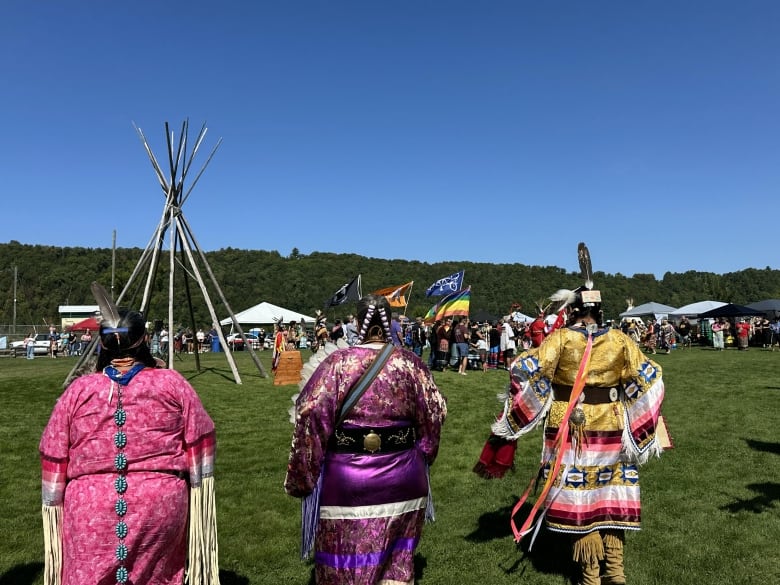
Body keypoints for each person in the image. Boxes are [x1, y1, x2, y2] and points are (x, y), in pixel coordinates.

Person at [475, 244, 665, 585]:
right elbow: (651, 377)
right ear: (600, 309)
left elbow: (525, 370)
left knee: (581, 499)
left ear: (573, 310)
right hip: (611, 425)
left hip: (568, 424)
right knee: (610, 494)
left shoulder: (560, 339)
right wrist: (640, 425)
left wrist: (519, 408)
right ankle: (614, 572)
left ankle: (590, 576)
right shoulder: (621, 340)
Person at [39, 286, 219, 585]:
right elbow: (201, 436)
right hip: (159, 504)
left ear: (103, 344)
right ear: (144, 341)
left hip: (89, 506)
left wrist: (55, 500)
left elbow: (53, 449)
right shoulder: (171, 384)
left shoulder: (79, 391)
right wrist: (196, 487)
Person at [285, 294, 447, 585]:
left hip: (349, 483)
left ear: (358, 322)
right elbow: (435, 411)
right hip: (405, 480)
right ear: (390, 323)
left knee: (346, 564)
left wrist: (303, 476)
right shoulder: (410, 363)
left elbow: (310, 414)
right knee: (397, 566)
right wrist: (424, 454)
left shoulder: (339, 363)